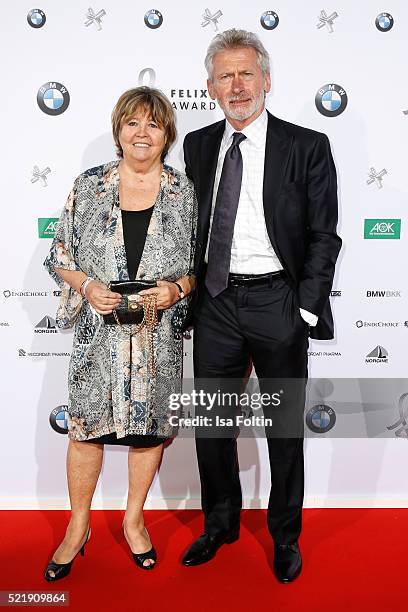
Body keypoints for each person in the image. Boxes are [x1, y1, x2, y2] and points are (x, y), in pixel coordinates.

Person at [181, 29, 341, 582]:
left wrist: (303, 309)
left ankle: (285, 537)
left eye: (246, 73)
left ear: (267, 80)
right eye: (225, 76)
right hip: (217, 302)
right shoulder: (199, 145)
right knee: (212, 427)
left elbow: (325, 235)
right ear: (210, 88)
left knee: (284, 430)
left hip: (279, 299)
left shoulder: (307, 145)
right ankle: (220, 524)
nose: (237, 85)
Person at [43, 86, 196, 579]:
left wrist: (177, 288)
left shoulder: (183, 192)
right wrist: (87, 285)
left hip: (157, 339)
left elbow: (201, 267)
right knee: (86, 431)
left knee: (148, 433)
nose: (142, 133)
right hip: (98, 338)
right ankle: (77, 526)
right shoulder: (88, 186)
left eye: (153, 124)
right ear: (118, 131)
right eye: (133, 123)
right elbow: (60, 256)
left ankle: (134, 522)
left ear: (166, 133)